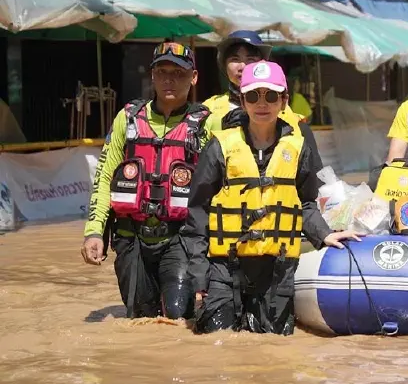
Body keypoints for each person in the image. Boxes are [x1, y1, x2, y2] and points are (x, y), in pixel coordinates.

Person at [181, 60, 360, 335]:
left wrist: (325, 234)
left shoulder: (298, 148)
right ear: (243, 101)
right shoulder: (220, 147)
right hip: (225, 268)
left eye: (271, 96)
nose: (262, 103)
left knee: (275, 346)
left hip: (277, 269)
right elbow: (198, 213)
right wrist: (199, 274)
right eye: (253, 96)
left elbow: (306, 203)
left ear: (283, 100)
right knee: (217, 342)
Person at [80, 42, 210, 320]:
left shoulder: (206, 126)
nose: (169, 79)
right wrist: (94, 232)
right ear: (152, 75)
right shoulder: (127, 119)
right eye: (162, 72)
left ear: (194, 77)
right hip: (131, 238)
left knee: (177, 318)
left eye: (178, 73)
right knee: (141, 320)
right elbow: (104, 177)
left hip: (182, 239)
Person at [204, 30, 319, 152]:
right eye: (235, 59)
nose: (243, 67)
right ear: (224, 65)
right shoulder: (209, 110)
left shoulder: (287, 113)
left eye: (250, 59)